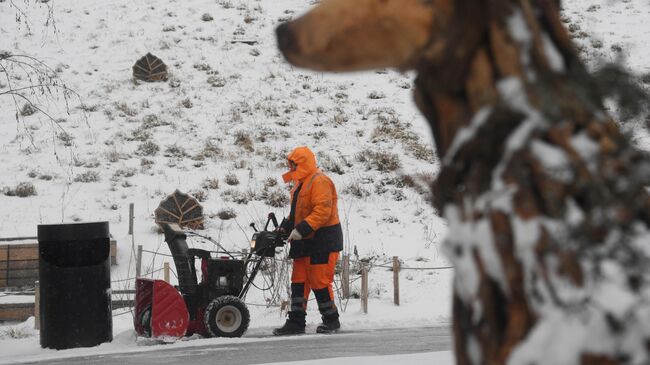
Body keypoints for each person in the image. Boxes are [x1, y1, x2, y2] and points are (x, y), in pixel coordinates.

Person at [273, 146, 344, 335]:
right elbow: (297, 213)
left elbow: (322, 211)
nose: (291, 168)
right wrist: (286, 227)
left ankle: (331, 320)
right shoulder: (300, 184)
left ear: (302, 163)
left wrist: (301, 229)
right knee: (298, 280)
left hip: (323, 240)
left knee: (319, 280)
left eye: (294, 164)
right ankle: (296, 322)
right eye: (291, 165)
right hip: (304, 240)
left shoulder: (319, 181)